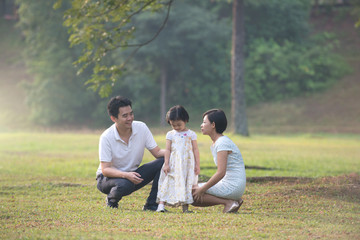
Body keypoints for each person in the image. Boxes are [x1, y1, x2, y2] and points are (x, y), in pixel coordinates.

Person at [96, 96, 165, 210]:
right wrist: (126, 175)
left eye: (131, 114)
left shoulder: (141, 127)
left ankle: (152, 204)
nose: (130, 118)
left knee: (163, 161)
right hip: (107, 178)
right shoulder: (106, 137)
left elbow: (157, 152)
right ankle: (112, 200)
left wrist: (177, 151)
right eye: (125, 116)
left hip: (132, 175)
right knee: (125, 184)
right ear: (114, 118)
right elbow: (105, 169)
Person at [192, 109, 246, 213]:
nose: (201, 125)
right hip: (232, 184)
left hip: (233, 185)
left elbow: (221, 172)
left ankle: (229, 203)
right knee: (193, 191)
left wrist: (202, 189)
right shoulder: (217, 142)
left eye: (204, 122)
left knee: (191, 193)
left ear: (213, 125)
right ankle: (234, 201)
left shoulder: (222, 143)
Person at [156, 105, 200, 213]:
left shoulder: (191, 134)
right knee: (168, 182)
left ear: (185, 120)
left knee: (186, 182)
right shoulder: (170, 134)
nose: (176, 127)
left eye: (179, 124)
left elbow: (195, 150)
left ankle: (185, 208)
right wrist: (166, 163)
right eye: (173, 125)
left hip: (187, 165)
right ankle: (161, 206)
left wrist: (197, 165)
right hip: (174, 163)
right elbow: (167, 150)